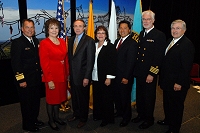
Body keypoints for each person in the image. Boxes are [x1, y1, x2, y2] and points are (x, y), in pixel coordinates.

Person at [158, 19, 195, 133]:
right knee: (168, 104)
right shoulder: (170, 40)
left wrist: (179, 82)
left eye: (178, 28)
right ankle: (168, 120)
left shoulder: (187, 45)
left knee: (176, 107)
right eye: (173, 28)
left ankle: (174, 129)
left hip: (177, 83)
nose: (174, 30)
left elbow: (186, 67)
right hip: (167, 81)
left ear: (184, 30)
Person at [132, 10, 166, 129]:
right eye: (144, 20)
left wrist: (152, 73)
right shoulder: (142, 33)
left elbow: (158, 57)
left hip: (149, 73)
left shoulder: (159, 35)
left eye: (148, 19)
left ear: (153, 20)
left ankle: (149, 119)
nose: (146, 21)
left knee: (148, 97)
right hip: (140, 72)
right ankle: (141, 115)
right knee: (140, 95)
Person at [10, 19, 44, 132]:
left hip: (35, 79)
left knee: (35, 102)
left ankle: (34, 120)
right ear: (22, 29)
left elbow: (37, 60)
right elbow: (16, 64)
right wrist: (21, 80)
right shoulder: (17, 43)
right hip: (25, 80)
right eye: (27, 27)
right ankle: (27, 125)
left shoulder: (35, 40)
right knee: (26, 104)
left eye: (32, 27)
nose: (30, 30)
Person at [39, 18, 69, 131]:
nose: (54, 30)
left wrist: (67, 73)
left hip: (62, 75)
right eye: (51, 28)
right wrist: (49, 80)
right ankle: (51, 120)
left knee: (58, 99)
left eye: (56, 28)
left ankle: (57, 117)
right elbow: (44, 64)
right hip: (51, 77)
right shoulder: (44, 43)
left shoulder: (61, 41)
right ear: (47, 30)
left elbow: (65, 59)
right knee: (51, 100)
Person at [67, 19, 95, 128]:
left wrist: (87, 77)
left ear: (85, 27)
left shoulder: (89, 41)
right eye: (75, 26)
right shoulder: (71, 40)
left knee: (83, 99)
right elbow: (71, 59)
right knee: (75, 98)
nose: (77, 28)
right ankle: (76, 114)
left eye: (80, 26)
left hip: (83, 77)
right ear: (73, 28)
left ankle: (83, 118)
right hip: (73, 76)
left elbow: (90, 61)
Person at [113, 20, 138, 127]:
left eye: (125, 28)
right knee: (117, 96)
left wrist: (126, 77)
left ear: (129, 30)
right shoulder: (117, 41)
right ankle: (119, 112)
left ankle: (126, 117)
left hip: (125, 77)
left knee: (124, 97)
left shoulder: (132, 43)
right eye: (120, 28)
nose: (122, 30)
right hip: (115, 76)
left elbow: (131, 62)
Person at [92, 25, 117, 127]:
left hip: (105, 77)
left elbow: (112, 63)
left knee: (106, 99)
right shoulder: (94, 45)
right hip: (95, 76)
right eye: (98, 33)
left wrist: (109, 77)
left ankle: (107, 118)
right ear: (96, 35)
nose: (100, 35)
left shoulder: (110, 46)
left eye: (103, 33)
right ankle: (98, 115)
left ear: (106, 35)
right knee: (97, 97)